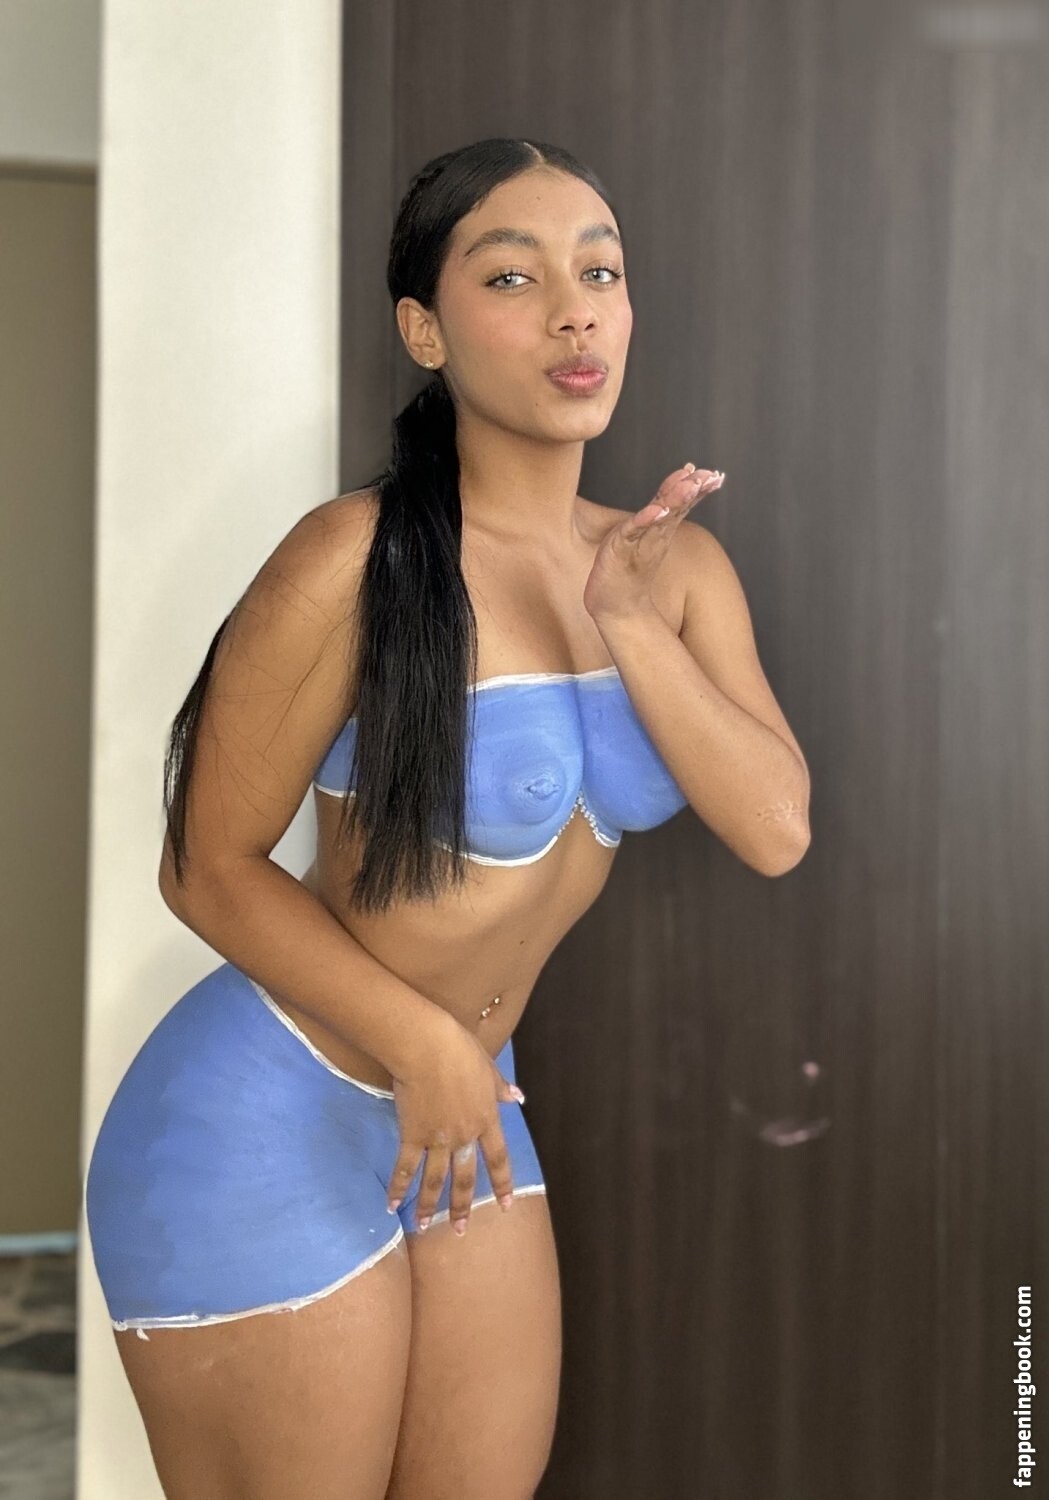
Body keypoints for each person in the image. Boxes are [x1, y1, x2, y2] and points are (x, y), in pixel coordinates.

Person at [84, 135, 811, 1500]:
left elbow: (775, 827)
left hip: (461, 1109)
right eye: (513, 277)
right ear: (425, 328)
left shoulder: (671, 568)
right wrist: (425, 1043)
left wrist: (622, 620)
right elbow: (206, 866)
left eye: (600, 272)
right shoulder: (350, 560)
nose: (574, 312)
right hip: (267, 1111)